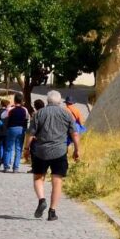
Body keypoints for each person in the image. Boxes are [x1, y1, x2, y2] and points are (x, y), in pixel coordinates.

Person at [25, 90, 80, 222]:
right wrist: (77, 150)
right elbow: (75, 134)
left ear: (48, 101)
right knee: (57, 180)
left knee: (38, 177)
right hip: (59, 151)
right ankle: (52, 211)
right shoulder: (66, 114)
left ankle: (42, 200)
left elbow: (31, 134)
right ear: (60, 101)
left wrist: (26, 149)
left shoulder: (39, 114)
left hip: (40, 151)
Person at [3, 97, 28, 172]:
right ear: (21, 101)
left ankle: (7, 166)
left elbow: (2, 116)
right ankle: (16, 167)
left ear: (14, 101)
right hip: (21, 129)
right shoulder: (25, 109)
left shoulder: (11, 109)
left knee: (8, 148)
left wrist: (8, 107)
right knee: (18, 148)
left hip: (12, 128)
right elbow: (27, 118)